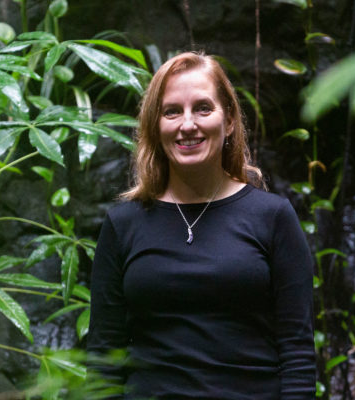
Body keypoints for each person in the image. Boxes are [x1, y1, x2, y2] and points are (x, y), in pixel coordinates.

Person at [87, 51, 316, 399]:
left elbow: (297, 353)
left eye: (203, 108)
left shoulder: (273, 217)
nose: (188, 124)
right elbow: (103, 358)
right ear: (155, 125)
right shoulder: (124, 223)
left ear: (229, 121)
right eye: (172, 111)